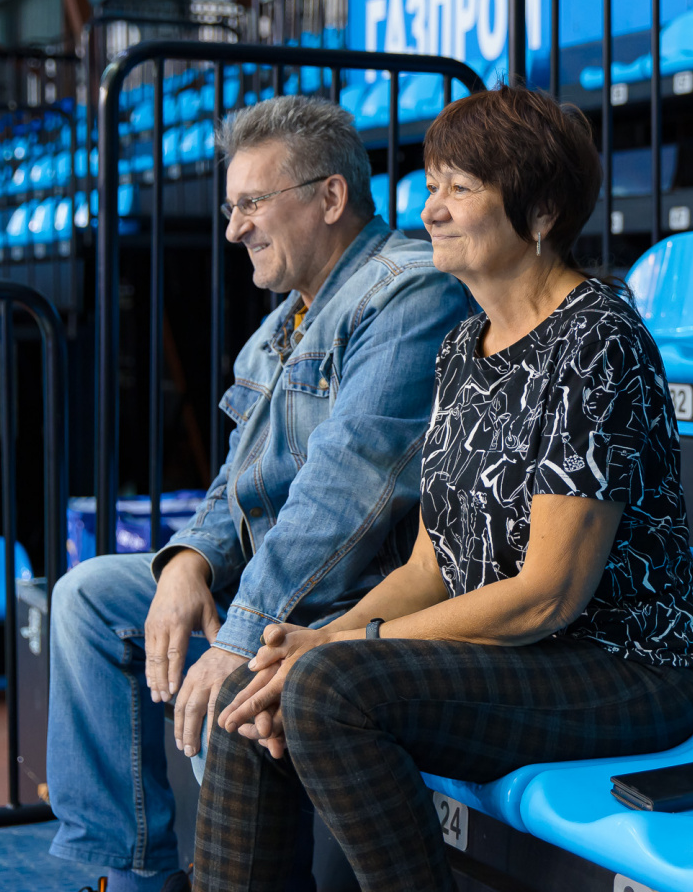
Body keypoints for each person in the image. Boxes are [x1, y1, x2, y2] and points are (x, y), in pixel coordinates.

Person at [191, 84, 693, 892]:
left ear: (541, 212)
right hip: (510, 655)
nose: (431, 210)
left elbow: (547, 597)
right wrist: (312, 640)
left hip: (621, 668)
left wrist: (346, 646)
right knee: (256, 685)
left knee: (327, 689)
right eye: (432, 185)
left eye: (460, 189)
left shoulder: (597, 340)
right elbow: (430, 567)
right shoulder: (463, 346)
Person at [47, 95, 470, 891]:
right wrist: (188, 564)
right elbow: (232, 485)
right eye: (230, 207)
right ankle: (133, 878)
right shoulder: (277, 329)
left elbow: (343, 495)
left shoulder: (408, 291)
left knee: (236, 676)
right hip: (273, 586)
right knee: (88, 598)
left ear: (331, 197)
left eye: (251, 203)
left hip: (357, 598)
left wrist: (241, 631)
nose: (234, 228)